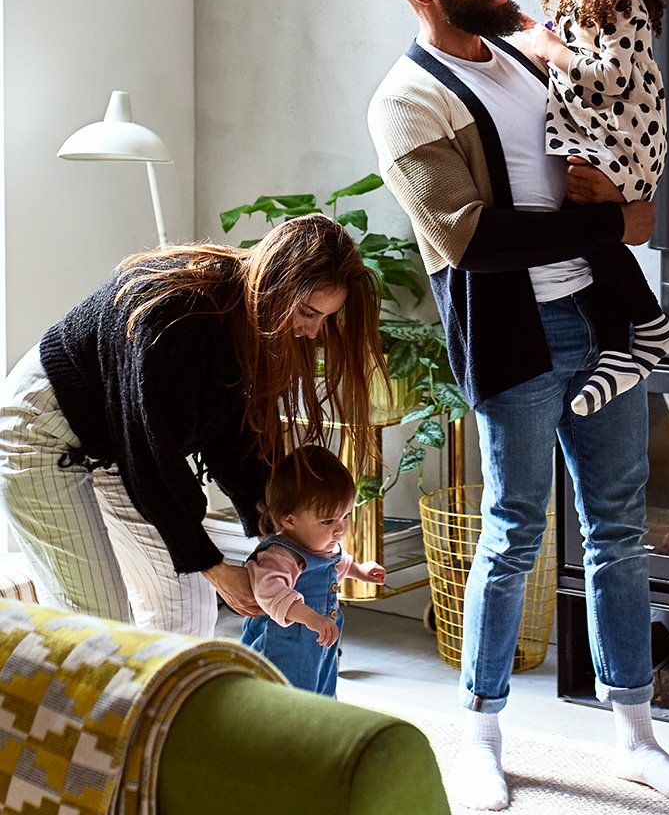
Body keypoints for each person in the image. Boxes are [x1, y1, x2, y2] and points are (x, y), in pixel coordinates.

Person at [368, 0, 669, 811]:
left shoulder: (529, 57)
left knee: (618, 532)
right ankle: (481, 738)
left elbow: (606, 133)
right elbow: (469, 238)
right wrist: (614, 224)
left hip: (600, 323)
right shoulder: (406, 101)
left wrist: (623, 196)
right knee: (515, 531)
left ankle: (636, 739)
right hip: (515, 338)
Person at [0, 213, 385, 637]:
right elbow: (151, 455)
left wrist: (275, 529)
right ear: (278, 283)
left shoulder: (245, 326)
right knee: (98, 622)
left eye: (324, 319)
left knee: (186, 605)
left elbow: (229, 436)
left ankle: (161, 683)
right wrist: (216, 568)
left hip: (114, 441)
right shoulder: (177, 315)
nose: (312, 332)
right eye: (308, 312)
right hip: (42, 428)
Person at [527, 0, 669, 417]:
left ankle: (649, 327)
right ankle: (618, 348)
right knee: (587, 236)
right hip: (606, 140)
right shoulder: (586, 2)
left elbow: (610, 77)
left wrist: (551, 47)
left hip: (627, 143)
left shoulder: (619, 0)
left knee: (588, 229)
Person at [241, 445, 386, 696]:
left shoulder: (321, 546)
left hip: (320, 642)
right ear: (289, 520)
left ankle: (321, 715)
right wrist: (309, 617)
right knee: (286, 696)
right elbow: (271, 592)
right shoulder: (280, 555)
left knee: (322, 690)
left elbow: (335, 565)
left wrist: (360, 571)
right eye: (328, 521)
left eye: (346, 516)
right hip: (284, 644)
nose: (340, 529)